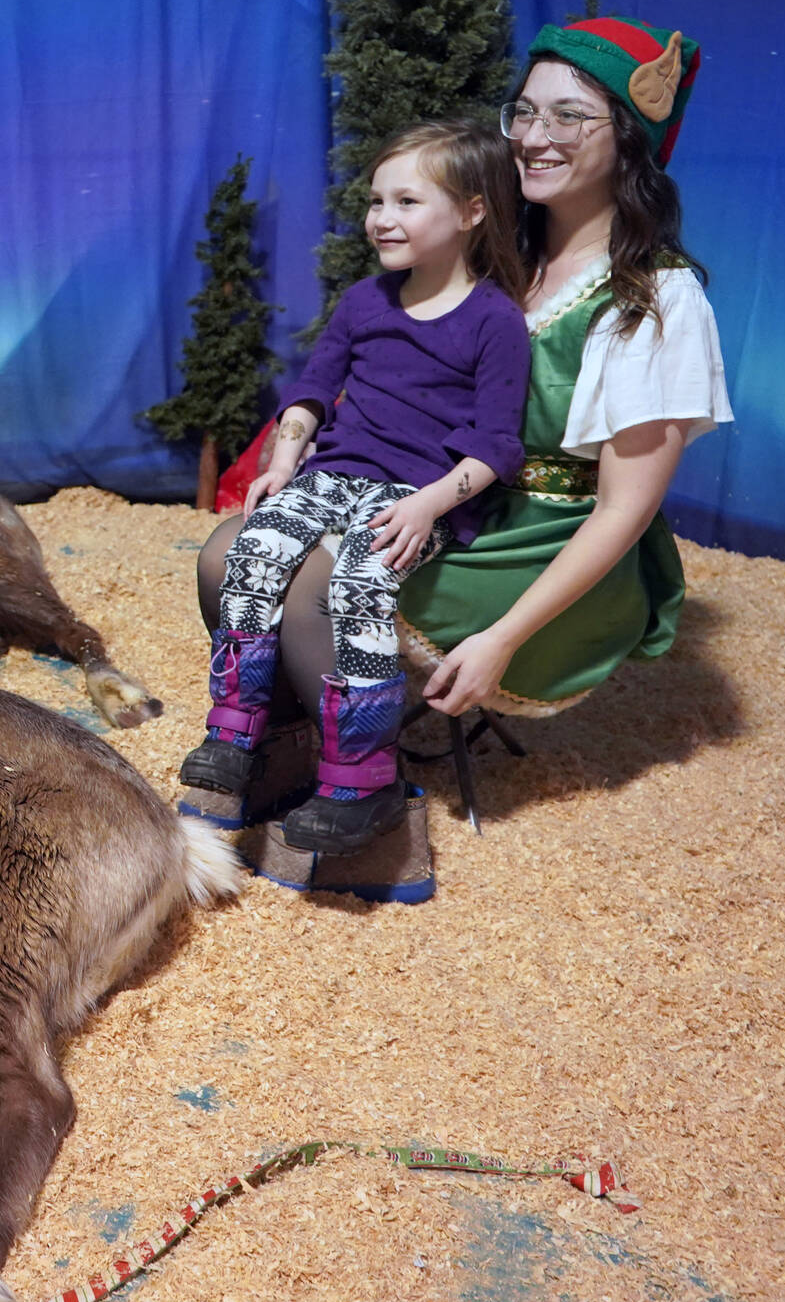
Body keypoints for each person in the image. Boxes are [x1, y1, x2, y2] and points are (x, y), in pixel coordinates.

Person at [193, 16, 732, 815]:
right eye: (524, 112)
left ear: (628, 138)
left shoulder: (654, 298)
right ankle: (291, 755)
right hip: (453, 498)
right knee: (224, 552)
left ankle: (373, 811)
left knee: (313, 582)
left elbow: (624, 512)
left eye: (570, 116)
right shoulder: (494, 262)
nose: (536, 137)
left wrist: (503, 638)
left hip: (543, 541)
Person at [180, 119, 530, 854]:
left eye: (406, 201)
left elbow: (498, 444)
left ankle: (362, 774)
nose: (381, 218)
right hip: (332, 475)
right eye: (376, 201)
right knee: (254, 552)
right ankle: (237, 730)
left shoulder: (495, 320)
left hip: (415, 495)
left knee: (356, 587)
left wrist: (431, 503)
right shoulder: (366, 302)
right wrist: (282, 457)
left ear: (471, 212)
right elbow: (312, 391)